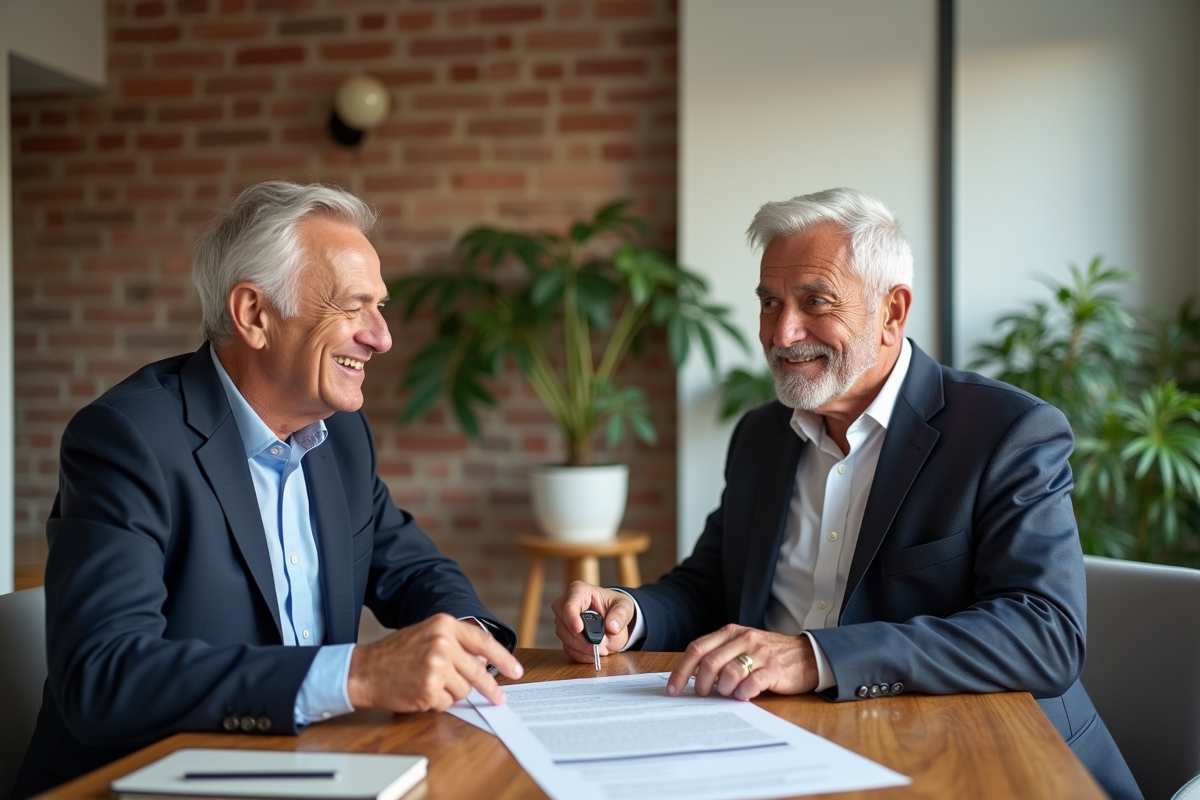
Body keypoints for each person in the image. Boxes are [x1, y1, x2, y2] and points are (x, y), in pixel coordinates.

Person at [552, 188, 1142, 800]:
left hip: (983, 762)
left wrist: (817, 657)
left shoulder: (1007, 432)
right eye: (770, 302)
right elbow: (710, 585)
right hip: (783, 748)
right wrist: (629, 612)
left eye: (816, 301)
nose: (783, 331)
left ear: (892, 312)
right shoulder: (760, 435)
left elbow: (1043, 634)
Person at [14, 181, 523, 800]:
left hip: (307, 770)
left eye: (380, 306)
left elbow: (412, 567)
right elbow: (104, 676)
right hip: (138, 785)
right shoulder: (128, 439)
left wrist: (469, 640)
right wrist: (356, 674)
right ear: (254, 314)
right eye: (351, 307)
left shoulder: (341, 437)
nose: (382, 337)